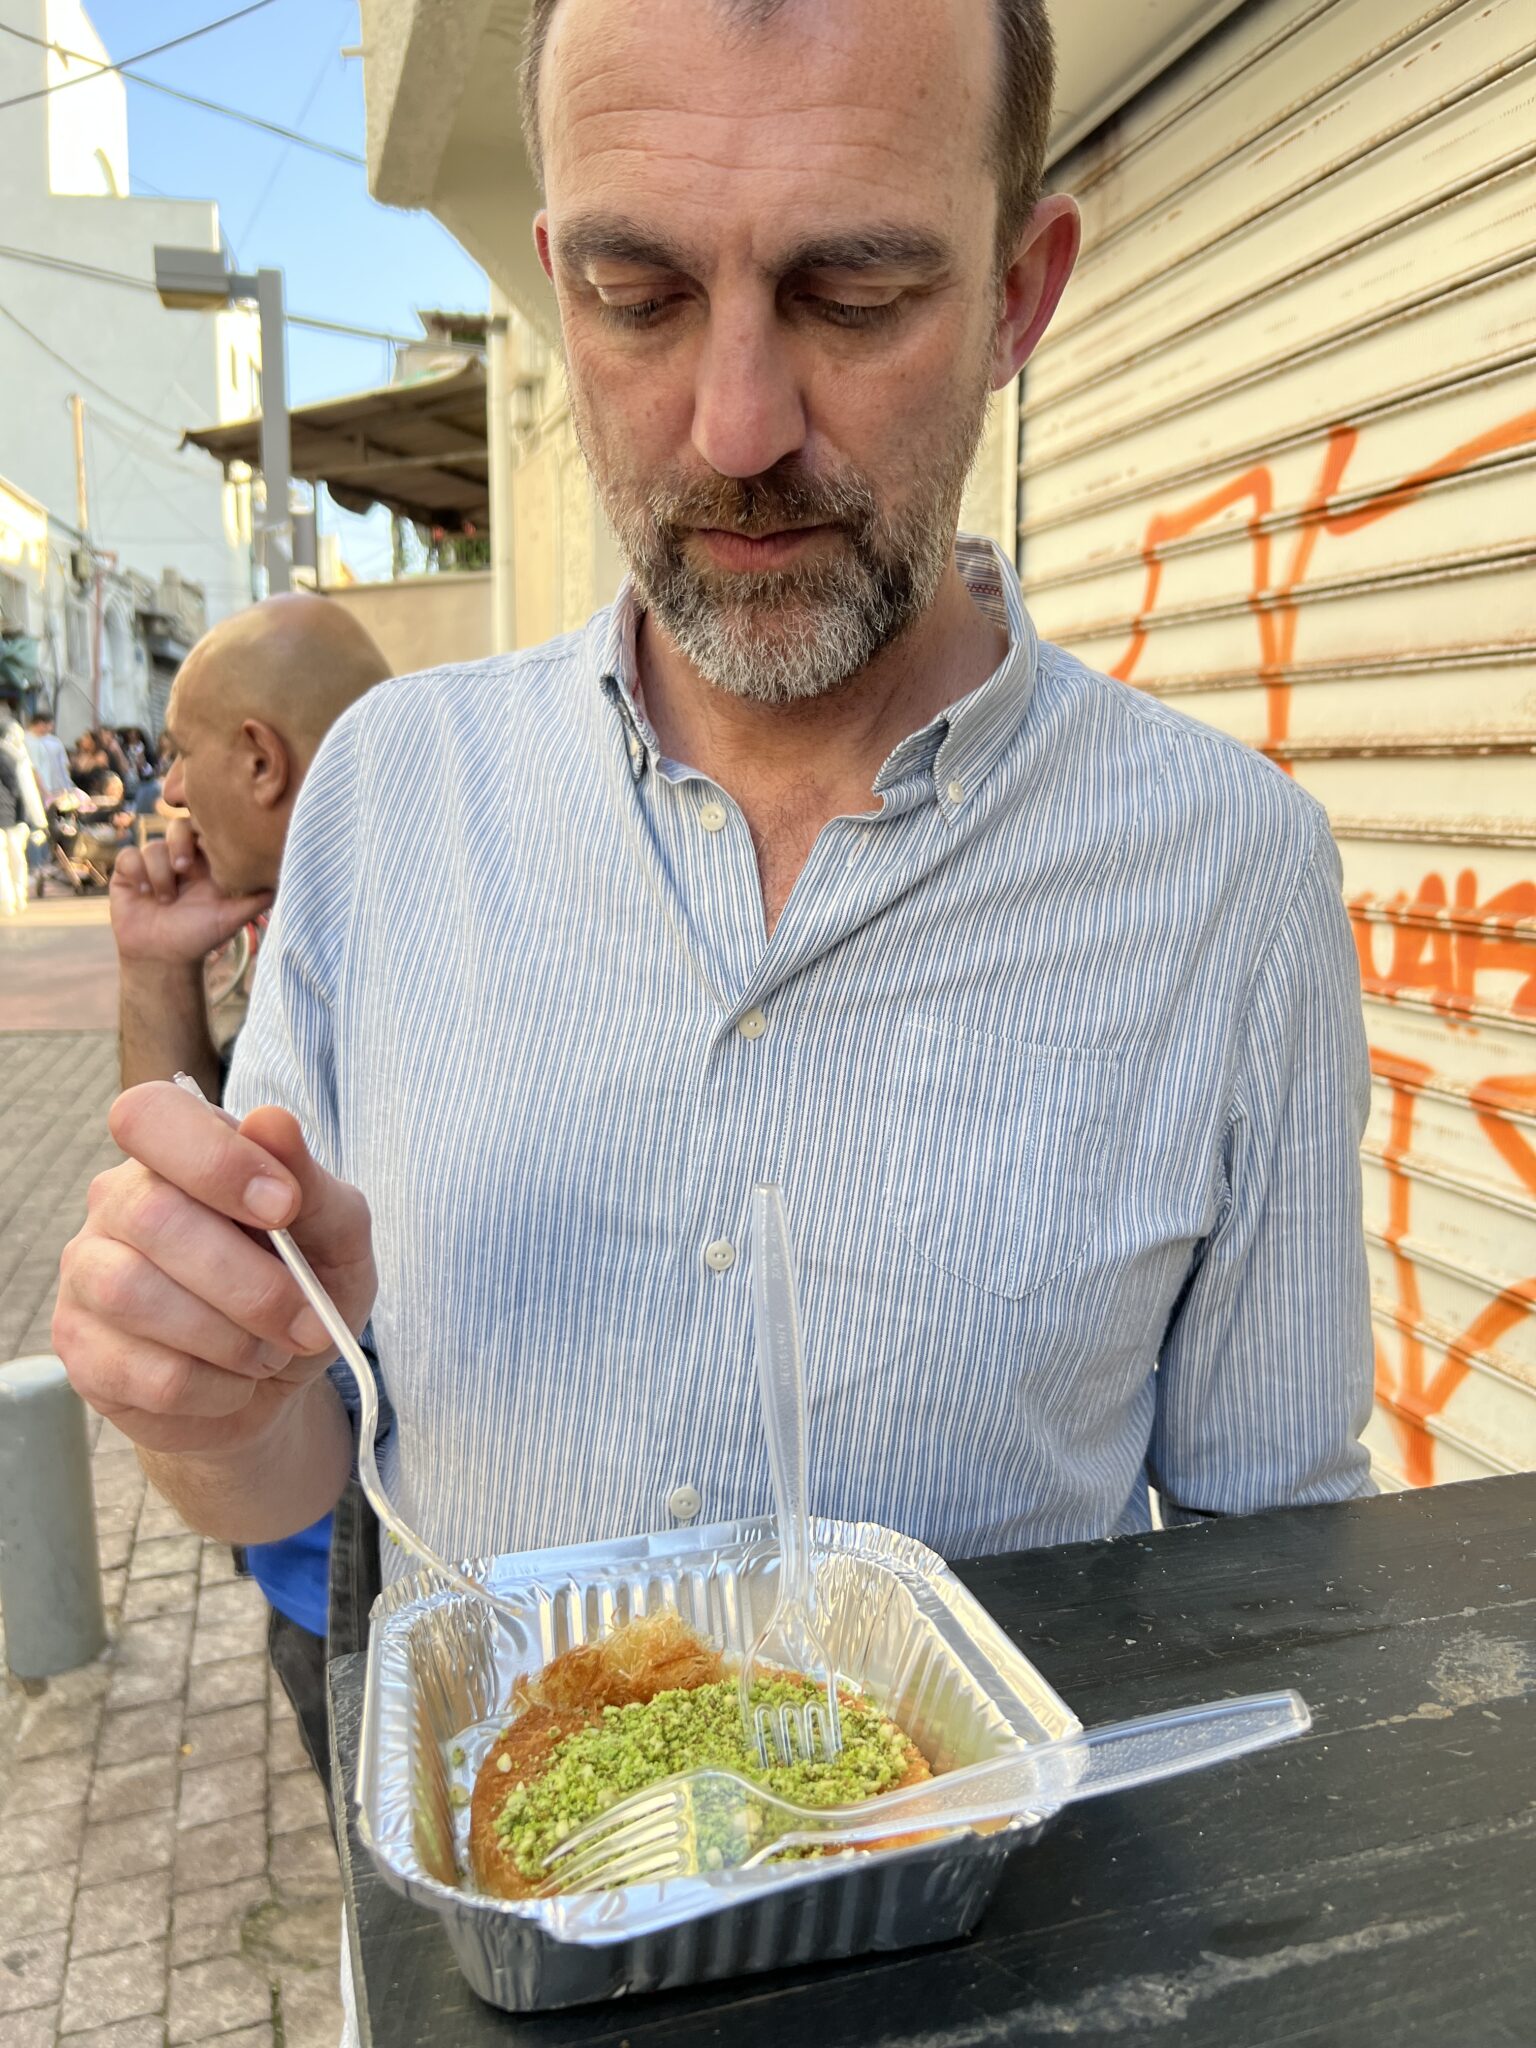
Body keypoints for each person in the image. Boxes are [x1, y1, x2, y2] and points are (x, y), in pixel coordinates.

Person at [55, 0, 1373, 1656]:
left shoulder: (1225, 879)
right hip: (494, 1902)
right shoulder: (390, 797)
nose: (736, 426)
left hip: (1011, 1919)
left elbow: (1274, 1576)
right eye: (638, 297)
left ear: (1019, 294)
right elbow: (298, 1467)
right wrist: (209, 1395)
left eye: (856, 295)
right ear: (553, 283)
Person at [105, 591, 393, 1796]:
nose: (168, 790)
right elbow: (190, 1169)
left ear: (260, 760)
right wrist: (158, 963)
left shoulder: (382, 935)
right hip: (300, 1519)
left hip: (366, 1561)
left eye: (179, 751)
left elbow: (224, 1216)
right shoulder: (311, 920)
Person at [0, 684, 46, 912]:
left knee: (6, 858)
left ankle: (9, 900)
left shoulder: (15, 756)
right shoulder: (18, 757)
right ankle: (16, 897)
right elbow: (26, 789)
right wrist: (38, 820)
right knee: (15, 857)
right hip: (15, 815)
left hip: (12, 814)